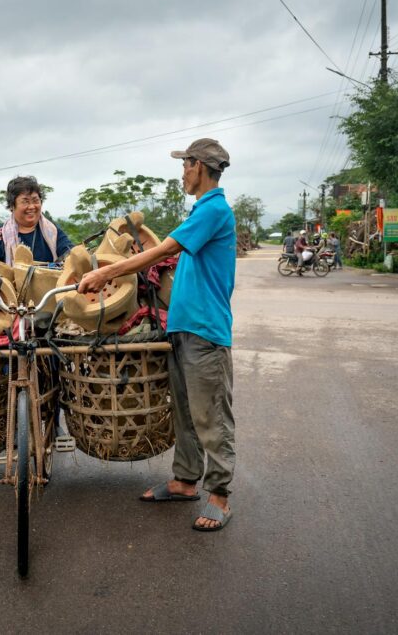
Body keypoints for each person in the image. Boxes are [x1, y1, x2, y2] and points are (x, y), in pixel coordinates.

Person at [78, 138, 235, 532]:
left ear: (199, 166)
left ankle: (219, 494)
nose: (182, 172)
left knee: (210, 413)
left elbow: (160, 250)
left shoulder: (214, 209)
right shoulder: (201, 210)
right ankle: (185, 480)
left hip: (205, 330)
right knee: (184, 409)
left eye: (185, 165)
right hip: (181, 327)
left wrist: (104, 273)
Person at [0, 175, 74, 266]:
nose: (32, 207)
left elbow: (70, 253)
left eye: (35, 200)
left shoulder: (52, 231)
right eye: (25, 201)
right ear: (12, 206)